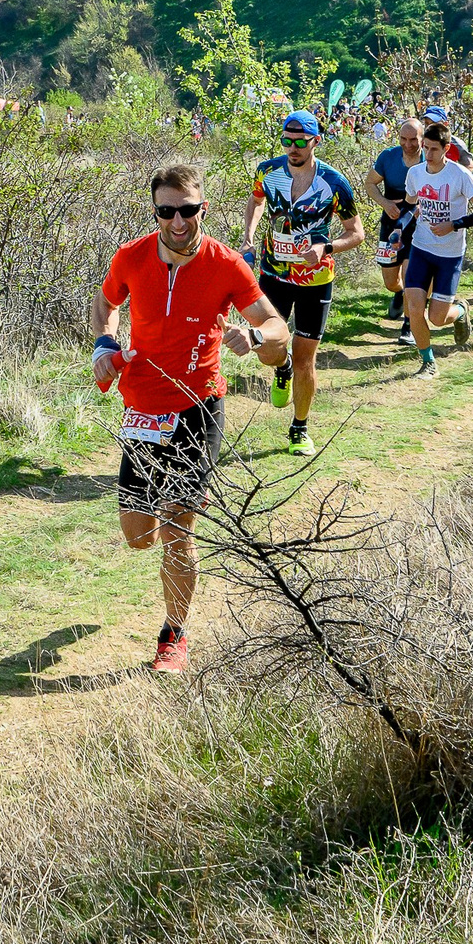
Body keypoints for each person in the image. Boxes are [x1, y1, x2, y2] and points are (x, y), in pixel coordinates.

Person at [95, 164, 289, 674]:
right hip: (140, 408)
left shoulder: (225, 265)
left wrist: (258, 339)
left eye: (187, 210)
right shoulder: (132, 257)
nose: (177, 221)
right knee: (139, 535)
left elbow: (276, 326)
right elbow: (106, 300)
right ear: (155, 210)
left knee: (179, 532)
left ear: (203, 208)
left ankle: (173, 634)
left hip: (196, 407)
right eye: (166, 211)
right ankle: (165, 545)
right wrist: (103, 343)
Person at [241, 110, 361, 457]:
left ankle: (299, 427)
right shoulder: (268, 170)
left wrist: (326, 247)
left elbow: (356, 233)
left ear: (315, 142)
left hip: (315, 280)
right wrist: (248, 237)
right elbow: (256, 200)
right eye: (287, 141)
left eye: (300, 142)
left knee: (306, 356)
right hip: (273, 273)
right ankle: (282, 368)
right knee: (267, 350)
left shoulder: (334, 183)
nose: (292, 148)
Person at [399, 122, 473, 377]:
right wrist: (398, 229)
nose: (428, 154)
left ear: (447, 149)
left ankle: (460, 311)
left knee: (437, 319)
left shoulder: (460, 175)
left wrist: (455, 224)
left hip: (449, 255)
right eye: (425, 148)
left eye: (434, 149)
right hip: (421, 248)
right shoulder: (415, 174)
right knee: (415, 307)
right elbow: (408, 207)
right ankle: (428, 362)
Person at [365, 115, 425, 347]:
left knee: (412, 279)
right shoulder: (388, 157)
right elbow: (370, 183)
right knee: (391, 280)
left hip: (419, 226)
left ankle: (408, 327)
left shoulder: (428, 159)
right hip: (391, 224)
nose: (408, 144)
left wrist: (424, 205)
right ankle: (398, 294)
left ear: (422, 138)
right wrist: (385, 203)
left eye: (413, 139)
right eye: (404, 139)